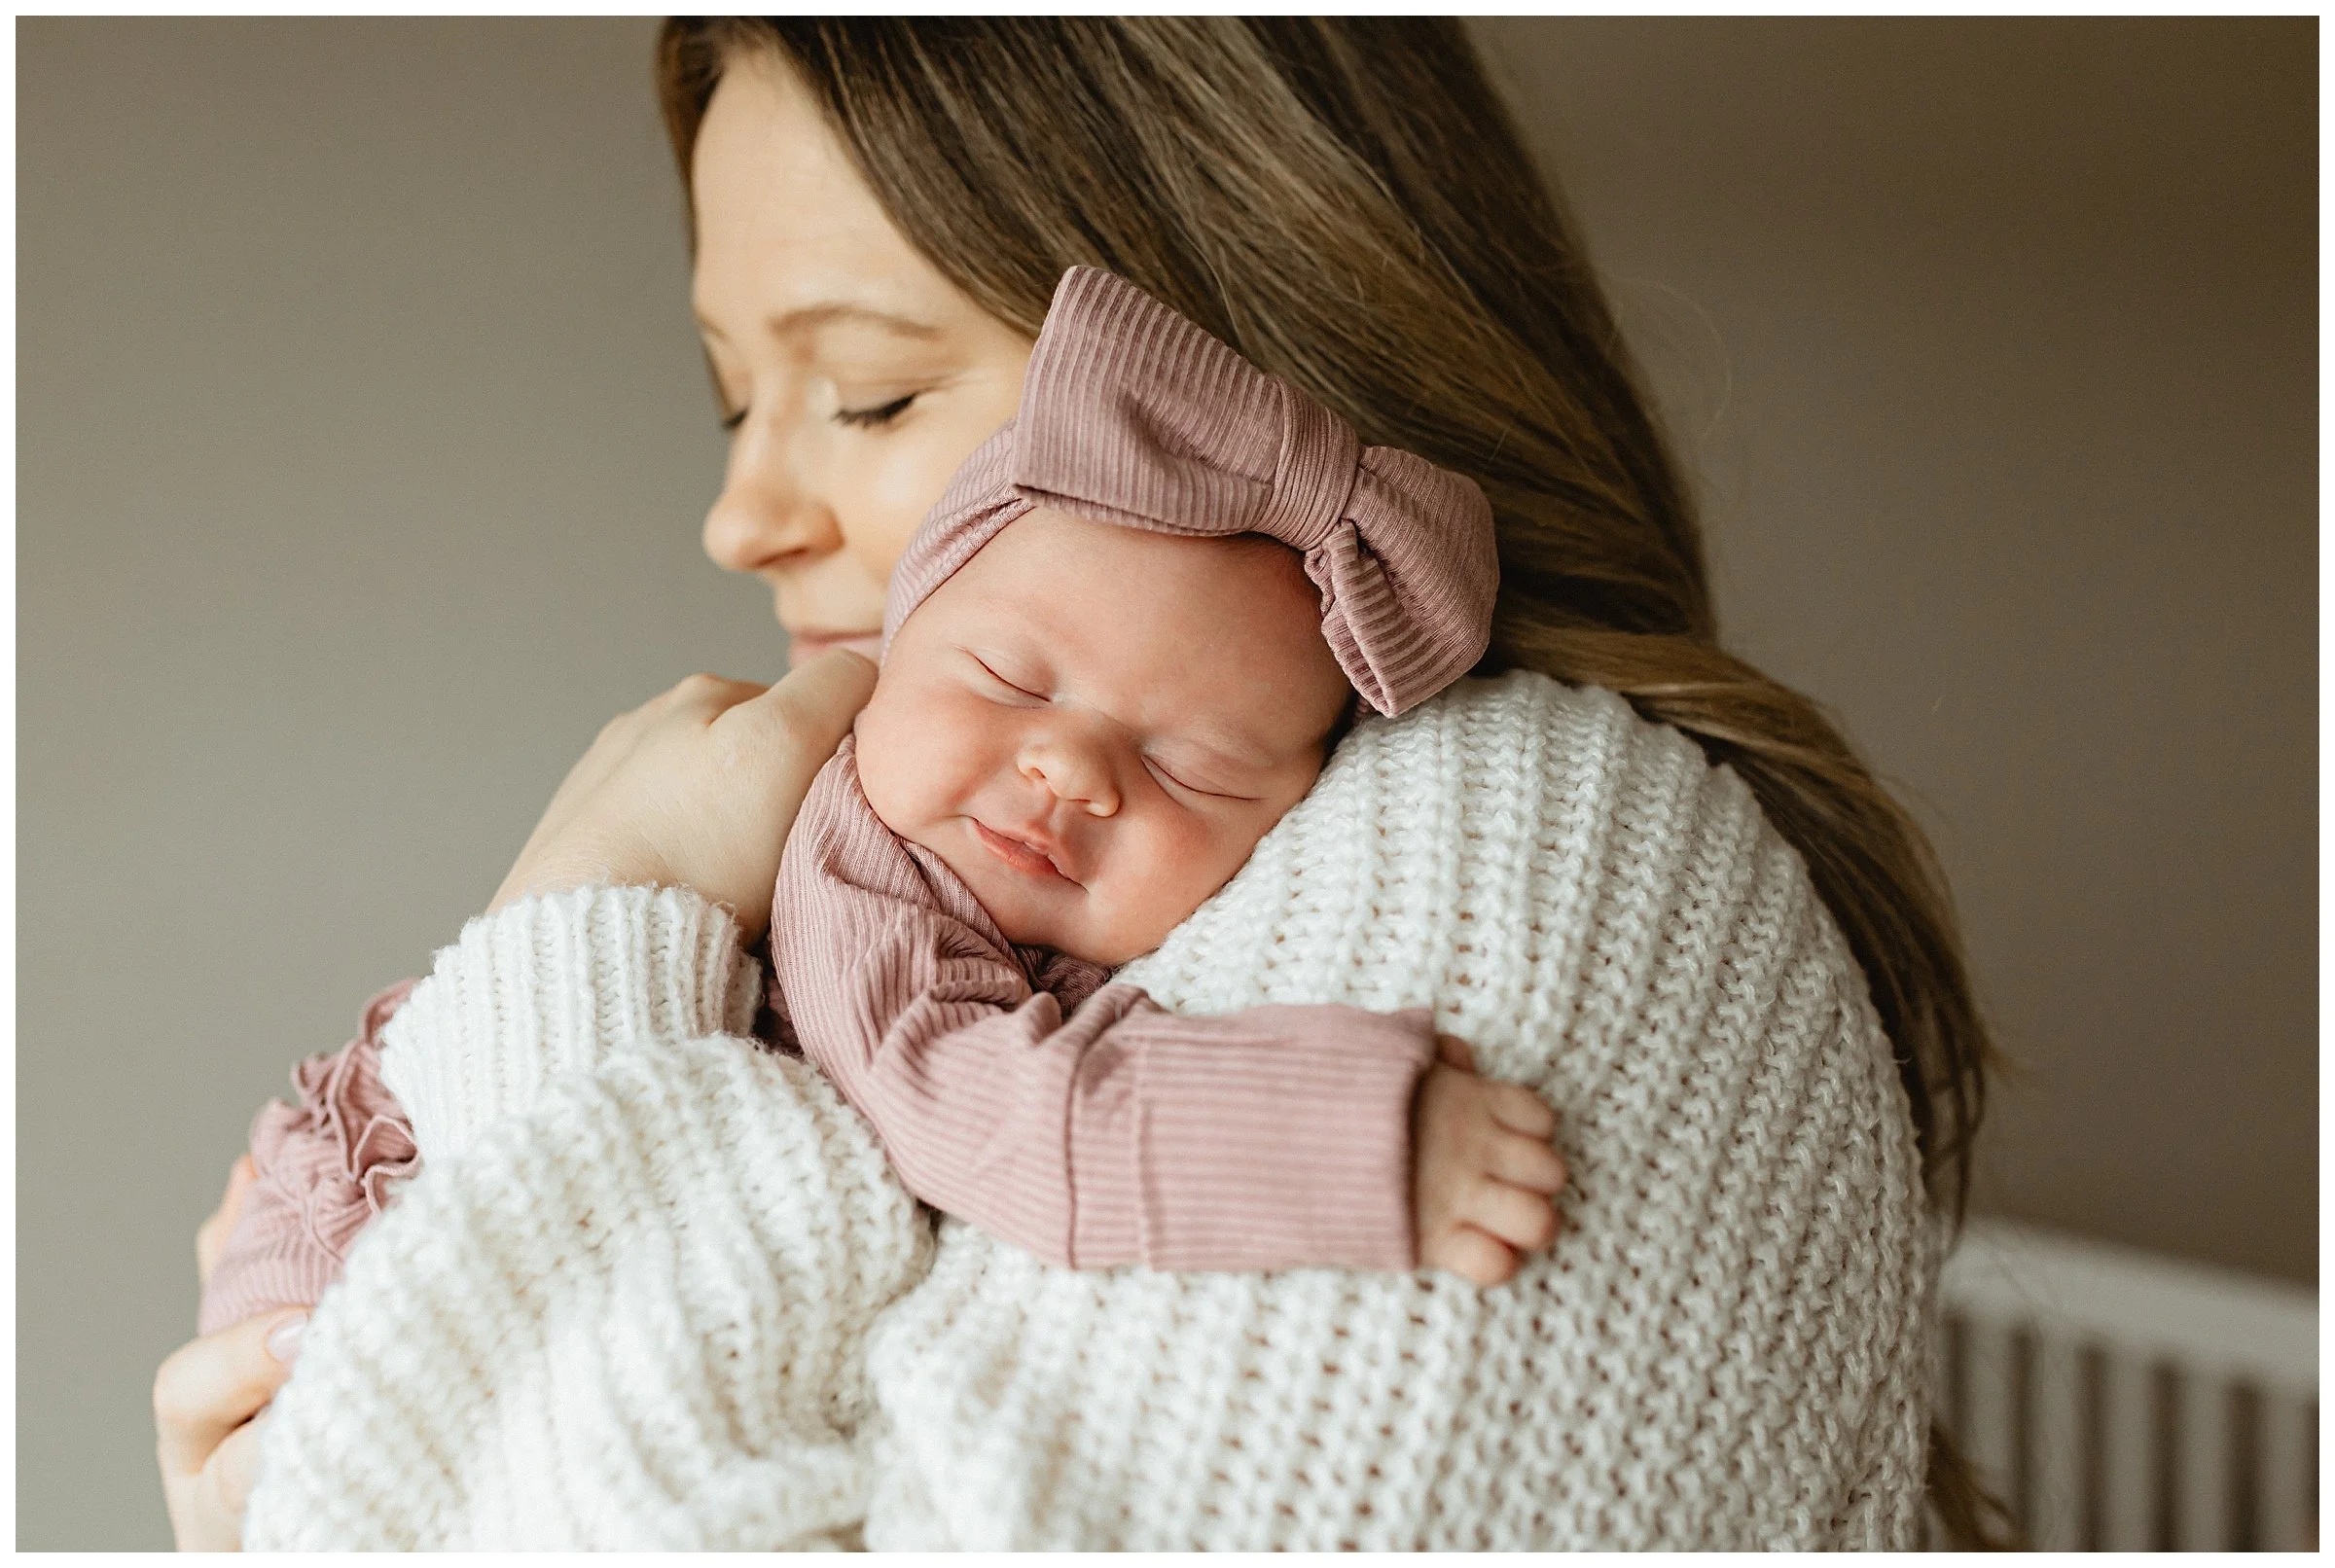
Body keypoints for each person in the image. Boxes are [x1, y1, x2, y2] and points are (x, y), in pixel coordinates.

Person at [154, 18, 2006, 1550]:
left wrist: (583, 932)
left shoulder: (1551, 856)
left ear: (1242, 363)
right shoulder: (991, 867)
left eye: (871, 393)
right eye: (735, 394)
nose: (738, 514)